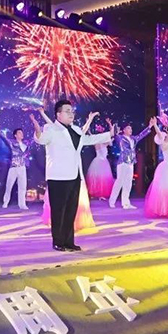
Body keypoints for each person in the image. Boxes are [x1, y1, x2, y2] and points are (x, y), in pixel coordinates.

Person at [35, 101, 111, 252]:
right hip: (58, 177)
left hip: (75, 175)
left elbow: (88, 140)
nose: (71, 114)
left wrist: (109, 134)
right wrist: (37, 132)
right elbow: (41, 139)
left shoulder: (76, 129)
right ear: (58, 114)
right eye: (67, 111)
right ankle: (58, 242)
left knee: (71, 211)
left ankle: (69, 242)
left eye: (72, 111)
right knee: (59, 211)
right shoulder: (51, 129)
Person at [108, 117, 156, 209]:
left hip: (131, 163)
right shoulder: (120, 138)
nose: (130, 130)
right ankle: (112, 201)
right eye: (128, 128)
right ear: (124, 130)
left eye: (131, 128)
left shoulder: (133, 139)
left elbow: (141, 135)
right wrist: (111, 125)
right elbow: (114, 133)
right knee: (119, 181)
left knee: (128, 183)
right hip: (123, 162)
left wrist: (150, 126)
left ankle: (126, 203)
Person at [0, 122, 35, 209]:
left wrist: (40, 129)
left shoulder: (26, 144)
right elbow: (4, 138)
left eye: (22, 133)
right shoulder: (12, 143)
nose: (22, 134)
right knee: (9, 186)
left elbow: (33, 139)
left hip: (22, 167)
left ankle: (22, 204)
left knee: (22, 187)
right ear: (15, 135)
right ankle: (5, 202)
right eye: (19, 133)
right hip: (13, 167)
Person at [85, 124, 115, 200]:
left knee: (101, 178)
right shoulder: (100, 142)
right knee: (100, 178)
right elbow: (110, 141)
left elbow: (110, 141)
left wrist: (111, 126)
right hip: (100, 161)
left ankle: (99, 194)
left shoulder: (101, 141)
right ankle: (98, 193)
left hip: (101, 161)